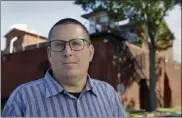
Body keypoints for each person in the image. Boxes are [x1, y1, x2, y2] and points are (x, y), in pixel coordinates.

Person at [2, 18, 128, 117]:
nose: (67, 52)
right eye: (58, 45)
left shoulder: (108, 94)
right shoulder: (22, 99)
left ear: (90, 53)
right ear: (49, 54)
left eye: (76, 43)